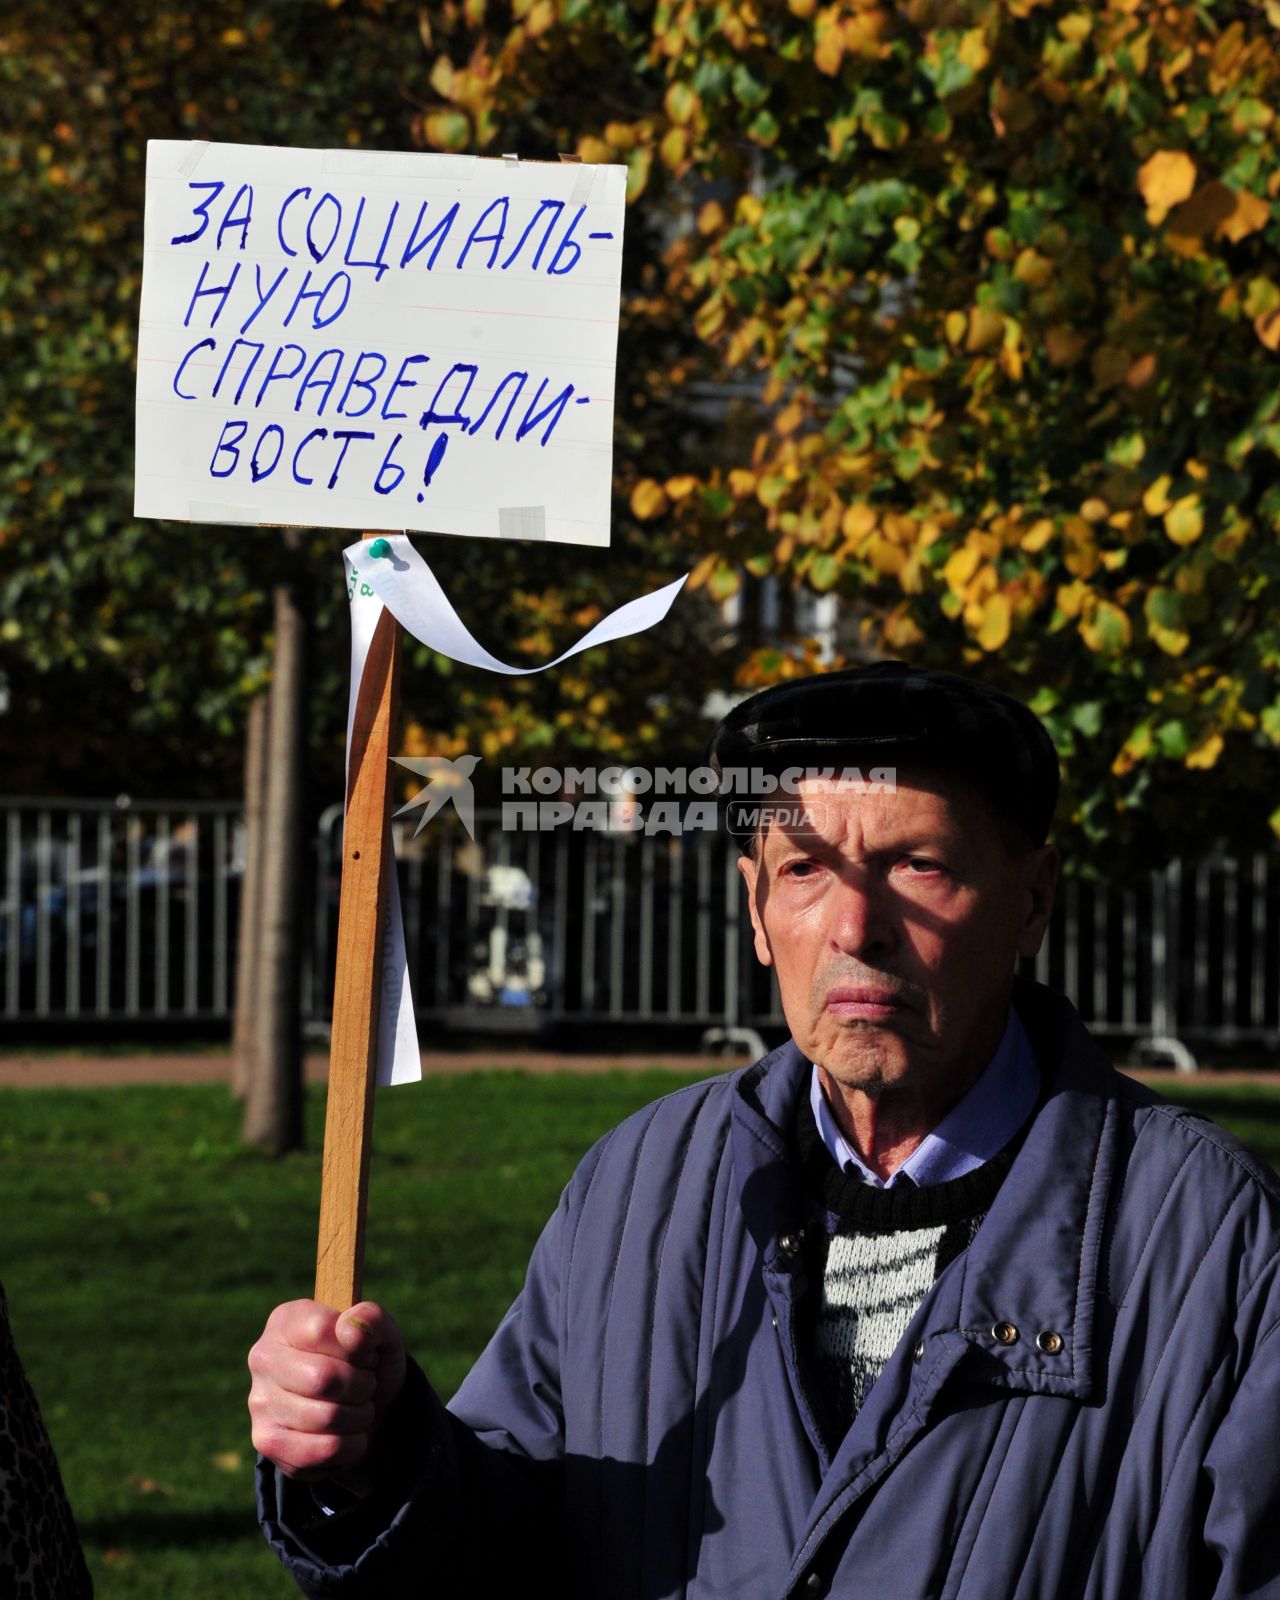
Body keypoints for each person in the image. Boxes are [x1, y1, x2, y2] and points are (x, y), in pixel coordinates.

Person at [249, 662, 1280, 1599]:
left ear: (1031, 900)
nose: (852, 925)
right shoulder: (634, 1187)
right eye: (803, 870)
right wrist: (377, 1463)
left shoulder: (1208, 1241)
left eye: (917, 864)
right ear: (753, 908)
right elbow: (512, 1545)